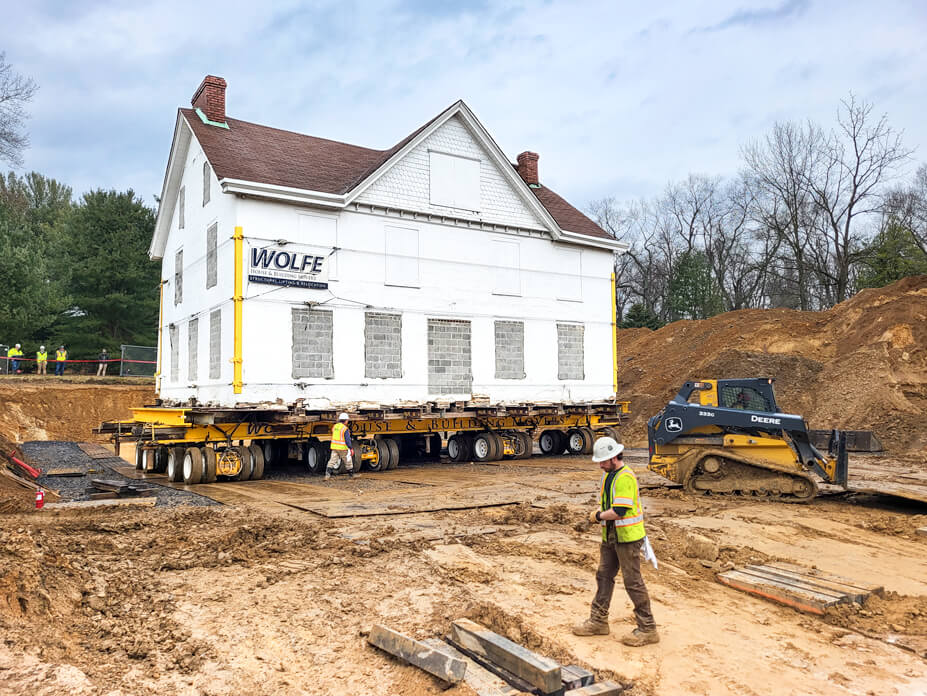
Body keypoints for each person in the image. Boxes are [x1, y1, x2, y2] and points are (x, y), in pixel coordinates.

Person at [572, 436, 659, 647]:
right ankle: (598, 621)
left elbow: (619, 511)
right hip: (611, 536)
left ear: (613, 457)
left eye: (603, 461)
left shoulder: (625, 477)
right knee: (604, 575)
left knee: (633, 582)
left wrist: (596, 516)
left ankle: (648, 628)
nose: (600, 465)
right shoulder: (609, 475)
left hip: (628, 538)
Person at [325, 412, 357, 480]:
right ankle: (351, 475)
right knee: (348, 461)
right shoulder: (344, 429)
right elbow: (347, 440)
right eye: (347, 420)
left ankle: (327, 475)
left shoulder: (335, 426)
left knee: (332, 461)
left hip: (334, 447)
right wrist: (351, 448)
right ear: (345, 421)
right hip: (342, 448)